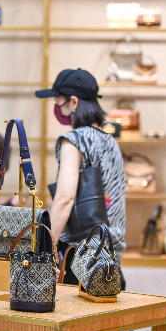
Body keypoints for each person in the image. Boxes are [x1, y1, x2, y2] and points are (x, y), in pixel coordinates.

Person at [35, 68, 126, 284]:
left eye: (58, 101)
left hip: (77, 253)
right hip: (109, 252)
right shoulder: (111, 141)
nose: (57, 107)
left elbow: (64, 199)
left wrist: (45, 250)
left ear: (73, 102)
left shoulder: (73, 141)